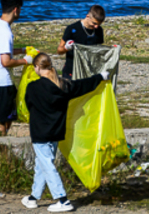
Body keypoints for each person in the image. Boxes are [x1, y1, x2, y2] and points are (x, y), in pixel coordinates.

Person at [21, 53, 108, 212]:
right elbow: (82, 85)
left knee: (47, 165)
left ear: (38, 68)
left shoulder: (33, 87)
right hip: (56, 132)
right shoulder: (63, 86)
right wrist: (100, 77)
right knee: (42, 165)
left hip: (40, 132)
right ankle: (33, 198)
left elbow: (28, 105)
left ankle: (63, 200)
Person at [0, 0, 32, 136]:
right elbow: (5, 61)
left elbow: (3, 50)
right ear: (16, 10)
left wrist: (23, 50)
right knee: (1, 118)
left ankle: (2, 141)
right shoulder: (4, 31)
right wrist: (25, 61)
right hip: (1, 80)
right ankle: (0, 150)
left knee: (10, 114)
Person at [57, 5, 105, 79]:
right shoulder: (72, 29)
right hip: (71, 70)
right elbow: (59, 51)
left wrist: (112, 49)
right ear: (88, 16)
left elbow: (99, 50)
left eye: (99, 24)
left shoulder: (99, 30)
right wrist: (66, 47)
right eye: (94, 23)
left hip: (89, 71)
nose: (96, 27)